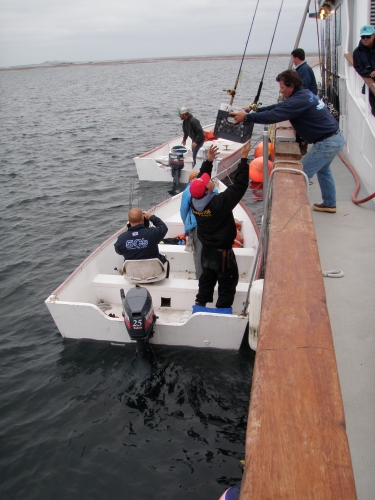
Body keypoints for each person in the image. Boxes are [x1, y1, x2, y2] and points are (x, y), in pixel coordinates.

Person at [230, 70, 344, 213]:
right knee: (324, 171)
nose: (281, 91)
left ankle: (289, 212)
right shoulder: (304, 94)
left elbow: (275, 115)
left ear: (291, 86)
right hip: (335, 138)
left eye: (282, 87)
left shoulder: (299, 100)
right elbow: (278, 107)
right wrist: (255, 111)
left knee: (298, 176)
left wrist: (247, 118)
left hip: (327, 143)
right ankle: (329, 203)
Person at [190, 142, 251, 309]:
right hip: (223, 255)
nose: (208, 180)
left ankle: (199, 306)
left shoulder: (194, 201)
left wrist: (208, 161)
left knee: (206, 281)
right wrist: (244, 159)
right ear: (208, 190)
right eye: (207, 182)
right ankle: (222, 313)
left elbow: (200, 182)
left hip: (206, 252)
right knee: (227, 285)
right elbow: (239, 186)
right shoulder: (219, 203)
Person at [180, 171, 218, 279]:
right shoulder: (214, 190)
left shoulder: (187, 191)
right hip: (212, 226)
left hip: (197, 227)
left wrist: (187, 227)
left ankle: (200, 279)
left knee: (199, 255)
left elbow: (183, 211)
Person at [291, 48, 318, 156]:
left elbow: (304, 86)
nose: (292, 60)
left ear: (297, 58)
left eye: (293, 58)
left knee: (303, 125)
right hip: (305, 101)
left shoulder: (304, 69)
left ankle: (302, 149)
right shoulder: (302, 69)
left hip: (306, 103)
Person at [353, 25, 375, 117]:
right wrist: (370, 74)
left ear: (374, 36)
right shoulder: (357, 52)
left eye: (368, 36)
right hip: (371, 85)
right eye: (363, 37)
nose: (365, 39)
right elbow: (358, 68)